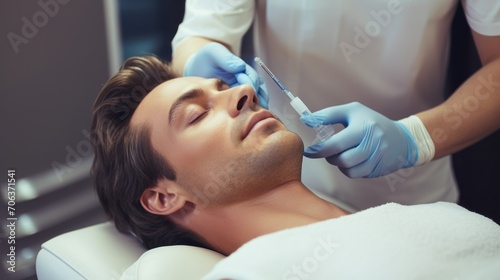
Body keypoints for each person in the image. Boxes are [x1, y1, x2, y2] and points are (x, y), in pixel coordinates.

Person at [91, 56, 500, 279]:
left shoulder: (434, 217)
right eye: (197, 115)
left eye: (226, 87)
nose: (245, 90)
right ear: (164, 196)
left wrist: (417, 137)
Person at [170, 1, 500, 212]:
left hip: (410, 191)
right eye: (197, 115)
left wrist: (414, 138)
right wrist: (199, 55)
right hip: (285, 189)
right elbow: (200, 33)